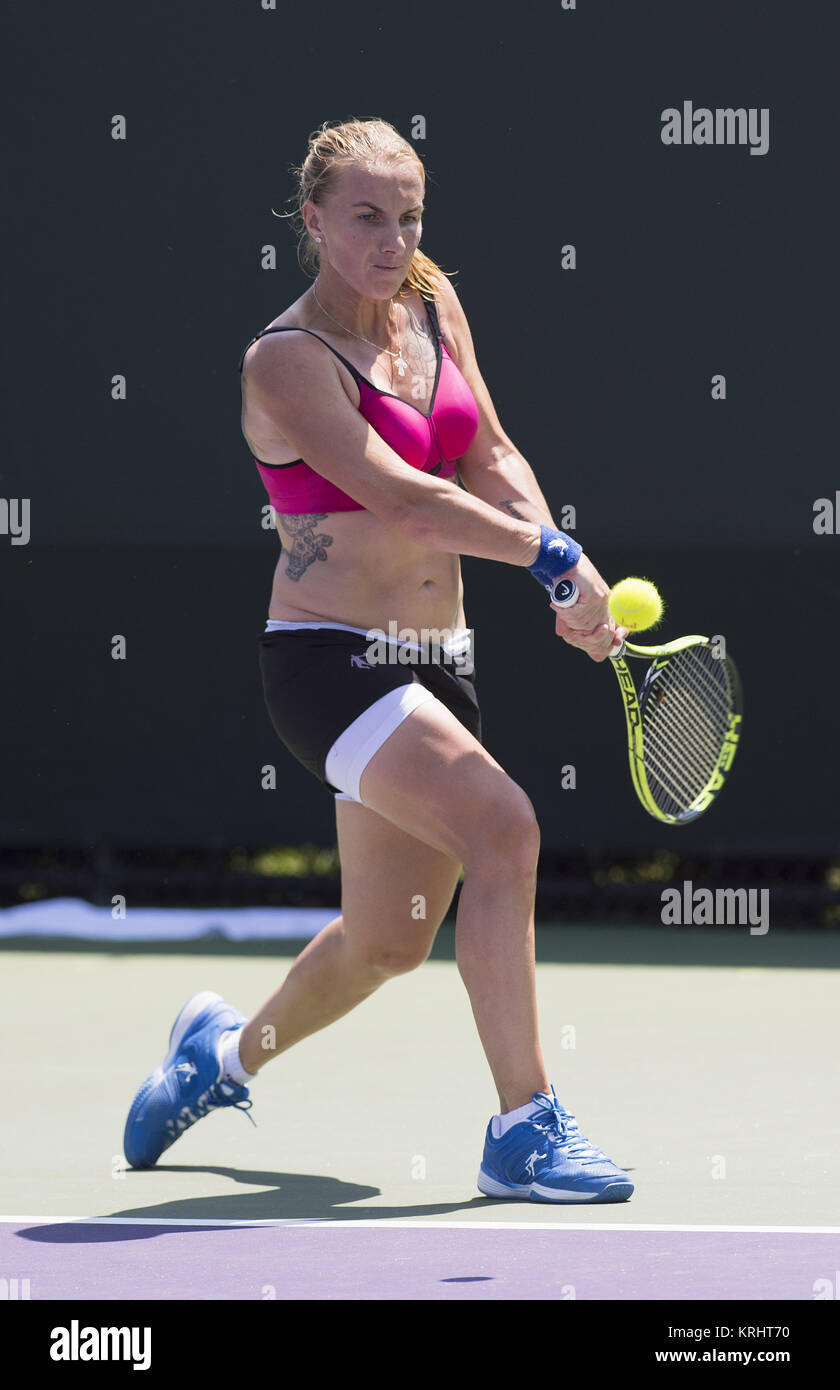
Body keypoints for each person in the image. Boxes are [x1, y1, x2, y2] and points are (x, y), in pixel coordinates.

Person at [123, 118, 633, 1204]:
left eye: (407, 216)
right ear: (311, 222)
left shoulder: (435, 308)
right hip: (328, 664)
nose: (391, 237)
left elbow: (487, 452)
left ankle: (213, 1059)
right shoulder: (283, 360)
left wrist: (562, 567)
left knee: (386, 941)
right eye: (365, 216)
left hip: (440, 659)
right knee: (506, 828)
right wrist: (551, 558)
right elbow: (401, 493)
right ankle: (524, 1130)